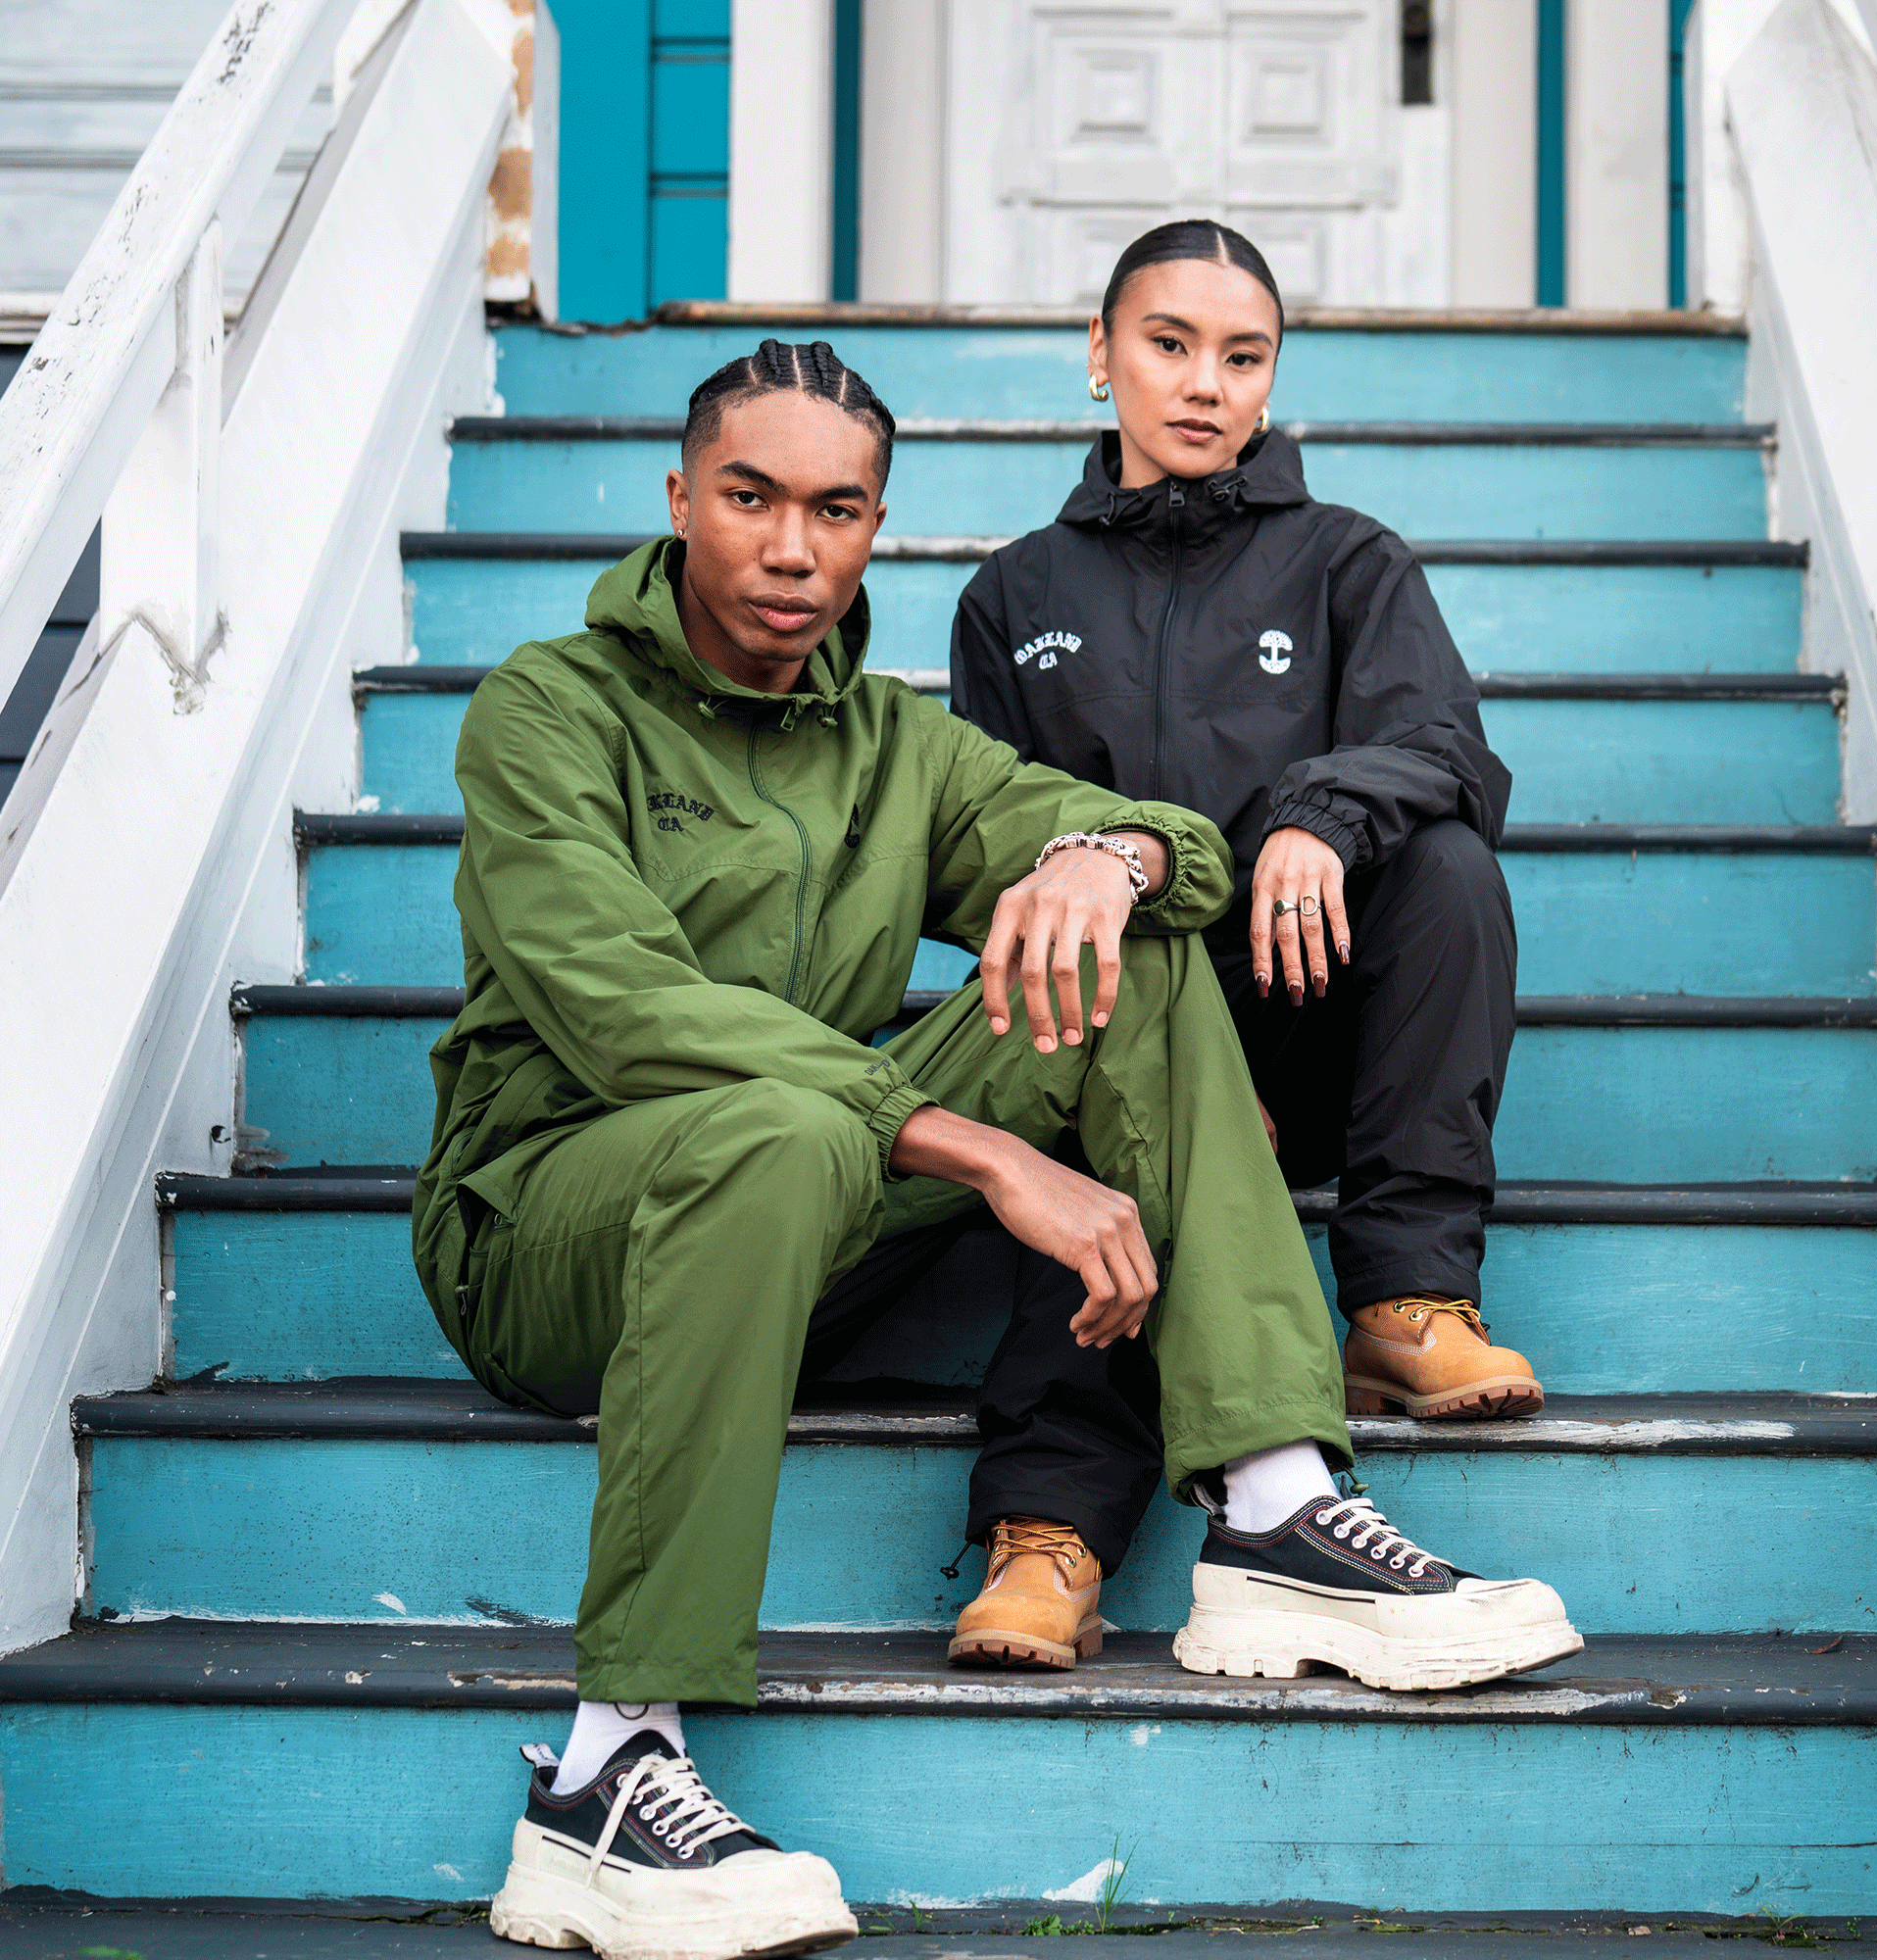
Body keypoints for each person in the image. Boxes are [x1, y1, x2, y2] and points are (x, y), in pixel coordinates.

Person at [413, 339, 1579, 1960]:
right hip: (558, 1234)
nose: (791, 549)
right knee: (762, 1126)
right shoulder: (552, 710)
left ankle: (1272, 1501)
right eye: (749, 498)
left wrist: (1103, 853)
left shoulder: (898, 754)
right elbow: (625, 1014)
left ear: (878, 527)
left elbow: (1183, 858)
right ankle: (614, 1769)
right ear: (681, 499)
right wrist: (982, 1152)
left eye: (838, 509)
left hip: (813, 1229)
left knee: (1133, 953)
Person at [952, 220, 1538, 1428]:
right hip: (1122, 1032)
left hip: (1310, 1017)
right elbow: (988, 847)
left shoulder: (1346, 563)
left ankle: (1406, 1300)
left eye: (1243, 355)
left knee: (1447, 862)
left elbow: (1448, 749)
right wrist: (1185, 1069)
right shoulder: (1011, 594)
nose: (1205, 385)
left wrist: (1316, 816)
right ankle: (1050, 1502)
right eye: (1168, 343)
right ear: (1098, 354)